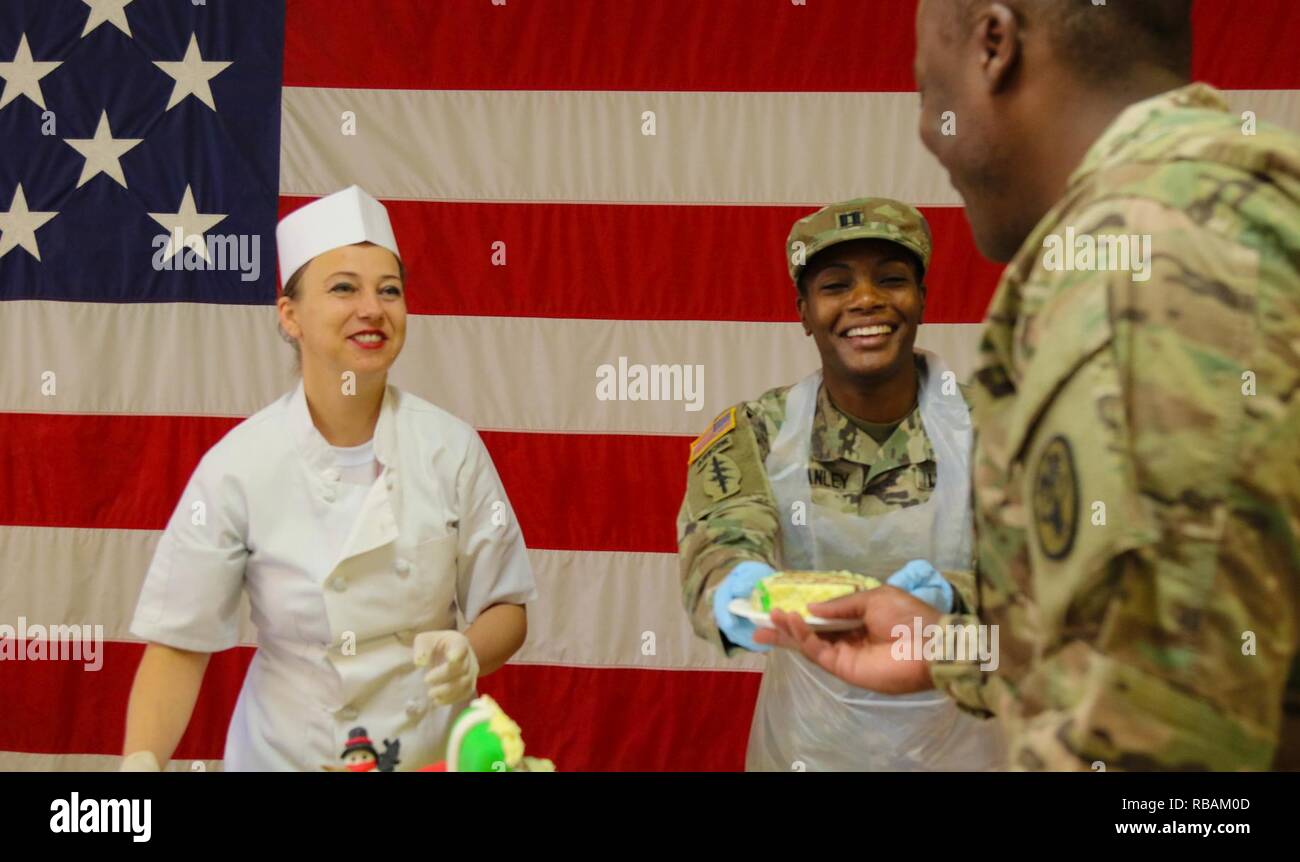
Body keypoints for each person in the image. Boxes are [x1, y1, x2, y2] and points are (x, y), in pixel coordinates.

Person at [759, 0, 1300, 770]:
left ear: (994, 45)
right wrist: (950, 650)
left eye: (927, 89)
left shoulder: (1137, 268)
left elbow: (1163, 758)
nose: (925, 129)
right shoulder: (1241, 201)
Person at [120, 186, 536, 771]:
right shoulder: (239, 466)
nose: (372, 308)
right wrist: (140, 761)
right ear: (290, 316)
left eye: (388, 290)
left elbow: (507, 608)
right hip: (288, 756)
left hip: (427, 756)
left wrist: (468, 651)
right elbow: (179, 644)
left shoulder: (451, 448)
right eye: (344, 288)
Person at [677, 197, 1005, 770]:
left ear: (922, 298)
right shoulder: (758, 432)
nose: (866, 300)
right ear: (803, 311)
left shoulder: (1000, 425)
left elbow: (1051, 582)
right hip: (809, 747)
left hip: (967, 744)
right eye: (835, 285)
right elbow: (721, 545)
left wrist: (947, 596)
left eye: (891, 279)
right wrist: (743, 591)